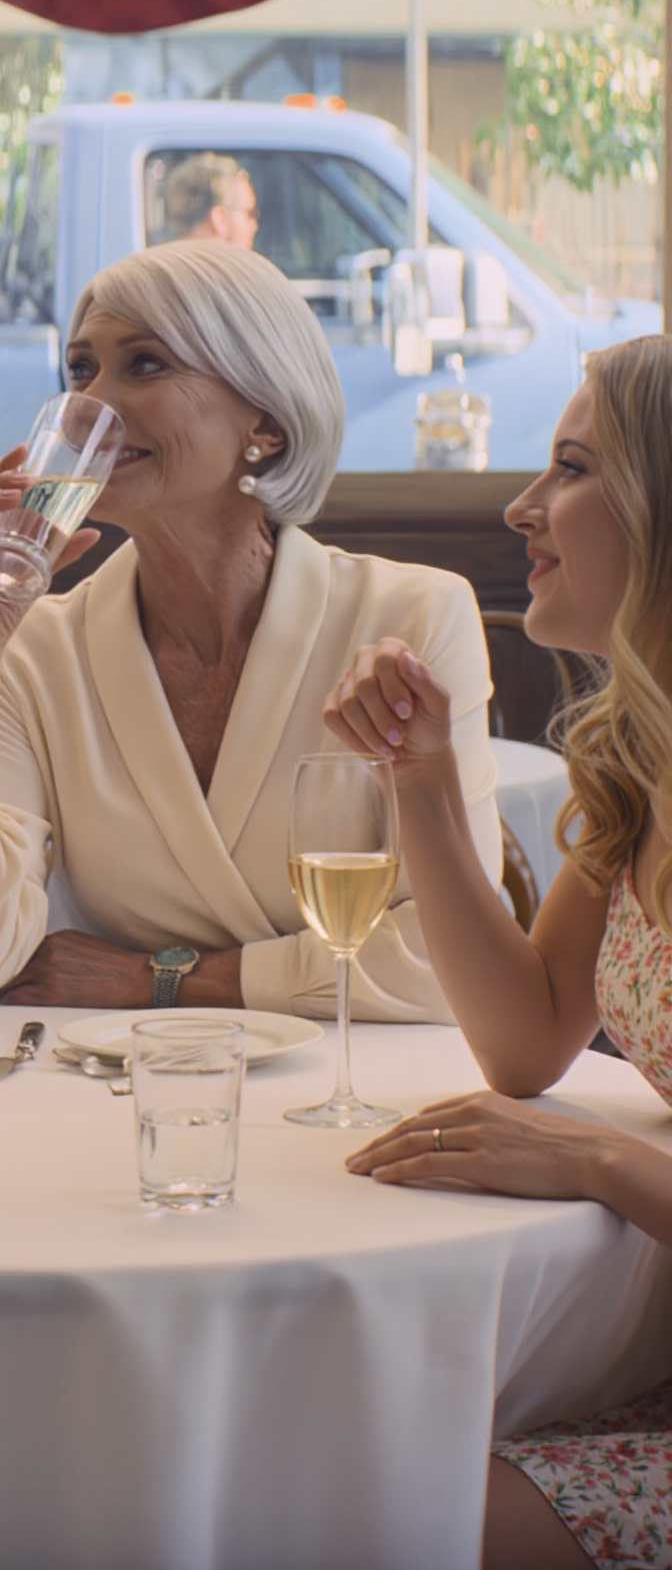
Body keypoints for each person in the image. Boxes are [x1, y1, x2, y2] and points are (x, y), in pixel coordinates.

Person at [0, 238, 501, 1017]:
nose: (95, 406)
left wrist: (160, 979)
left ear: (268, 424)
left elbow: (447, 962)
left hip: (362, 1090)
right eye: (82, 370)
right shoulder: (36, 649)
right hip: (128, 1084)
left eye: (144, 365)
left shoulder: (414, 617)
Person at [334, 336, 672, 1570]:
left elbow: (544, 1110)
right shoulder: (641, 767)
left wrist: (591, 1158)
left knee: (405, 1511)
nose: (519, 506)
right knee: (348, 1444)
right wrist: (417, 783)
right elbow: (525, 1038)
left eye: (570, 468)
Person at [159, 151, 259, 251]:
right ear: (220, 219)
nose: (255, 227)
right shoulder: (224, 266)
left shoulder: (156, 263)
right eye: (250, 214)